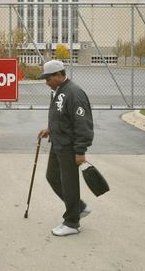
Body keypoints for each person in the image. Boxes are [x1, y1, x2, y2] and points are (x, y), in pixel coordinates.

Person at [38, 60, 94, 236]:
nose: (47, 82)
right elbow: (63, 118)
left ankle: (72, 222)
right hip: (58, 143)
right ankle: (78, 207)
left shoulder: (74, 93)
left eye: (49, 78)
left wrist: (80, 150)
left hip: (70, 147)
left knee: (69, 183)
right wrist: (50, 129)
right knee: (52, 177)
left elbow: (82, 123)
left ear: (59, 75)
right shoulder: (58, 91)